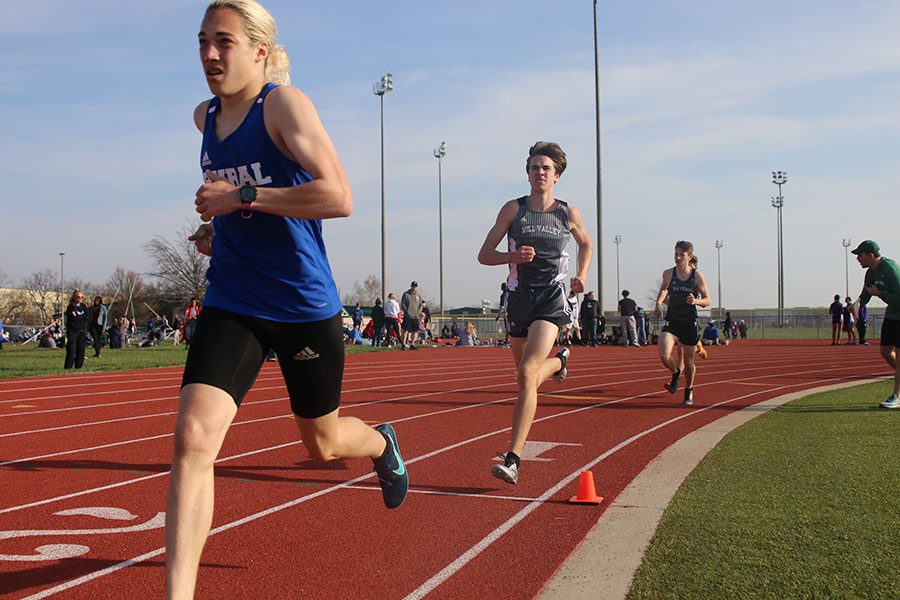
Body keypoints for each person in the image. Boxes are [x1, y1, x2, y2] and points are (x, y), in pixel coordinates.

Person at [166, 3, 409, 597]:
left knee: (322, 443)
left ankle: (380, 442)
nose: (209, 55)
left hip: (302, 305)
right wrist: (218, 227)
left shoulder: (283, 106)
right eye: (202, 42)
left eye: (223, 41)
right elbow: (234, 202)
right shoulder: (205, 117)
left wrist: (240, 197)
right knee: (193, 438)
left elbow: (338, 195)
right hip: (233, 297)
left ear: (258, 50)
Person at [477, 140, 593, 484]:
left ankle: (513, 458)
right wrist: (511, 257)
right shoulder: (514, 210)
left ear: (556, 176)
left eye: (545, 168)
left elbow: (586, 243)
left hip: (552, 300)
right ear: (527, 173)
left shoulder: (567, 213)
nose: (539, 172)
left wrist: (581, 277)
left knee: (528, 373)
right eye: (534, 167)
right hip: (519, 299)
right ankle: (560, 362)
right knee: (524, 378)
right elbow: (484, 254)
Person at [654, 240, 712, 406]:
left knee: (689, 362)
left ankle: (689, 390)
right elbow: (664, 288)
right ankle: (675, 371)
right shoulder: (668, 273)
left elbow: (708, 300)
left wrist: (696, 302)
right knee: (664, 355)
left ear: (690, 257)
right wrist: (658, 303)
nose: (678, 258)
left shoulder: (697, 276)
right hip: (672, 320)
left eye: (681, 255)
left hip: (689, 322)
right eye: (676, 254)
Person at [852, 240, 900, 409]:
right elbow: (866, 293)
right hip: (892, 315)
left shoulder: (890, 269)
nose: (858, 258)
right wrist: (857, 305)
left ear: (870, 255)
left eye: (860, 255)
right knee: (885, 350)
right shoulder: (871, 273)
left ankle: (897, 396)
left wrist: (881, 293)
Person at [64, 289, 89, 369]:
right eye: (78, 297)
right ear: (75, 297)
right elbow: (73, 318)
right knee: (71, 349)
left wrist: (78, 317)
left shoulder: (83, 306)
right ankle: (68, 366)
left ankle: (78, 366)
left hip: (82, 330)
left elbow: (86, 317)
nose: (80, 299)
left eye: (82, 297)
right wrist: (79, 317)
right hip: (73, 331)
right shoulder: (71, 307)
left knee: (81, 349)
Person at [399, 281, 423, 350]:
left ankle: (412, 344)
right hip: (407, 316)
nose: (414, 287)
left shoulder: (418, 295)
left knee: (414, 331)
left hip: (415, 316)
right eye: (413, 286)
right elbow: (403, 304)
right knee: (405, 330)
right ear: (411, 286)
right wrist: (406, 312)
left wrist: (418, 312)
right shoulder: (406, 294)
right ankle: (403, 344)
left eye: (415, 286)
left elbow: (420, 305)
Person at [496, 282, 510, 347]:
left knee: (507, 328)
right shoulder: (511, 294)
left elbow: (502, 306)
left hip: (506, 313)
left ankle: (507, 341)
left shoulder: (503, 295)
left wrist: (498, 315)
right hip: (513, 312)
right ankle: (508, 340)